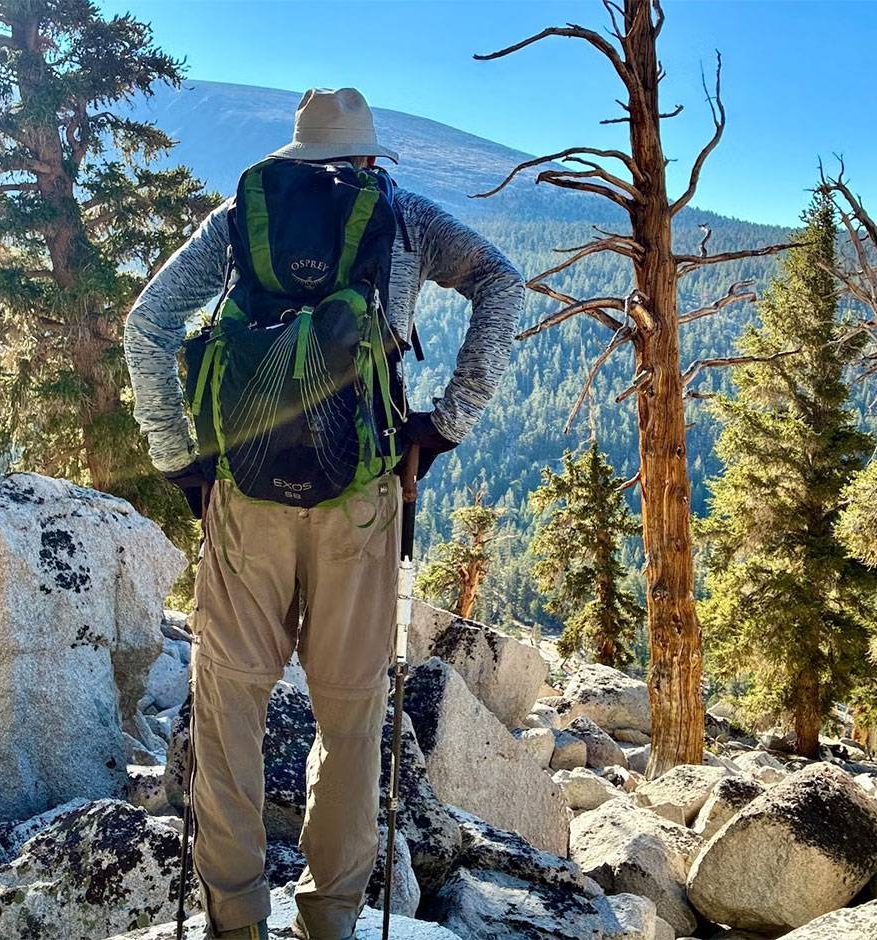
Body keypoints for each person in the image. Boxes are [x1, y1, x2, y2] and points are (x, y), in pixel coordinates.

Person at [123, 86, 522, 940]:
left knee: (229, 711)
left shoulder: (241, 218)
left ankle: (234, 923)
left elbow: (147, 326)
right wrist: (447, 420)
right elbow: (502, 282)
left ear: (296, 158)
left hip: (244, 501)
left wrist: (181, 462)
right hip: (364, 500)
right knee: (350, 717)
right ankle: (329, 922)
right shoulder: (403, 216)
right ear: (369, 157)